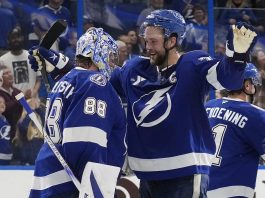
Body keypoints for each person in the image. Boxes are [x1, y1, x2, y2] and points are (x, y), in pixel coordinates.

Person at [28, 10, 257, 197]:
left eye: (153, 41)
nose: (147, 47)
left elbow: (227, 77)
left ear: (172, 40)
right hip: (147, 176)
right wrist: (57, 63)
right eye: (145, 40)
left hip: (185, 173)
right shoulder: (134, 69)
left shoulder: (192, 64)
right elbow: (97, 77)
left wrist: (236, 57)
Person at [28, 27, 127, 197]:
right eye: (110, 57)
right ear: (97, 54)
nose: (112, 64)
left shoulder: (65, 81)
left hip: (49, 176)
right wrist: (93, 189)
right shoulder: (96, 83)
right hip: (73, 184)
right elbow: (85, 140)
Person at [205, 63, 265, 198]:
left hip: (200, 189)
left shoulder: (207, 107)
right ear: (248, 86)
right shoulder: (256, 115)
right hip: (232, 193)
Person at [0, 95, 12, 165]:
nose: (2, 104)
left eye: (4, 103)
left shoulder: (5, 119)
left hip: (7, 156)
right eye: (0, 102)